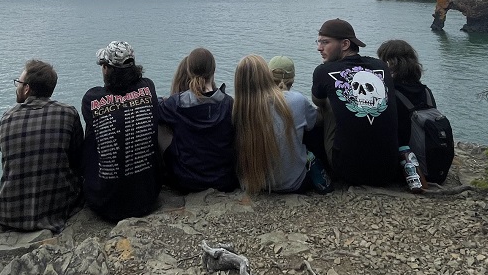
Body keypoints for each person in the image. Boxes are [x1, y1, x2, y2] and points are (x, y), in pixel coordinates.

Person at [0, 59, 84, 233]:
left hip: (9, 213)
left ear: (27, 88)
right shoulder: (68, 113)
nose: (17, 86)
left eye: (19, 83)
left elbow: (5, 154)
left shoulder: (6, 119)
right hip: (58, 208)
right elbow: (77, 158)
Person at [310, 18, 406, 187]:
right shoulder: (381, 66)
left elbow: (318, 101)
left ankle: (321, 165)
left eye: (325, 42)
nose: (319, 48)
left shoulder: (323, 71)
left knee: (326, 107)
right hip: (388, 169)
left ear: (345, 44)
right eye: (318, 42)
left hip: (348, 171)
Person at [81, 41, 162, 222]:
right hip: (147, 198)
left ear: (107, 69)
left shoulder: (91, 99)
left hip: (105, 203)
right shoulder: (148, 87)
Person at [233, 54, 317, 194]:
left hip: (251, 185)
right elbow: (314, 122)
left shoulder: (236, 109)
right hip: (293, 184)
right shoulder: (297, 100)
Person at [158, 47, 238, 193]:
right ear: (213, 70)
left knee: (160, 127)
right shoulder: (228, 104)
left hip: (186, 181)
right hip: (224, 180)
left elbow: (155, 110)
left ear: (188, 71)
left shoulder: (176, 104)